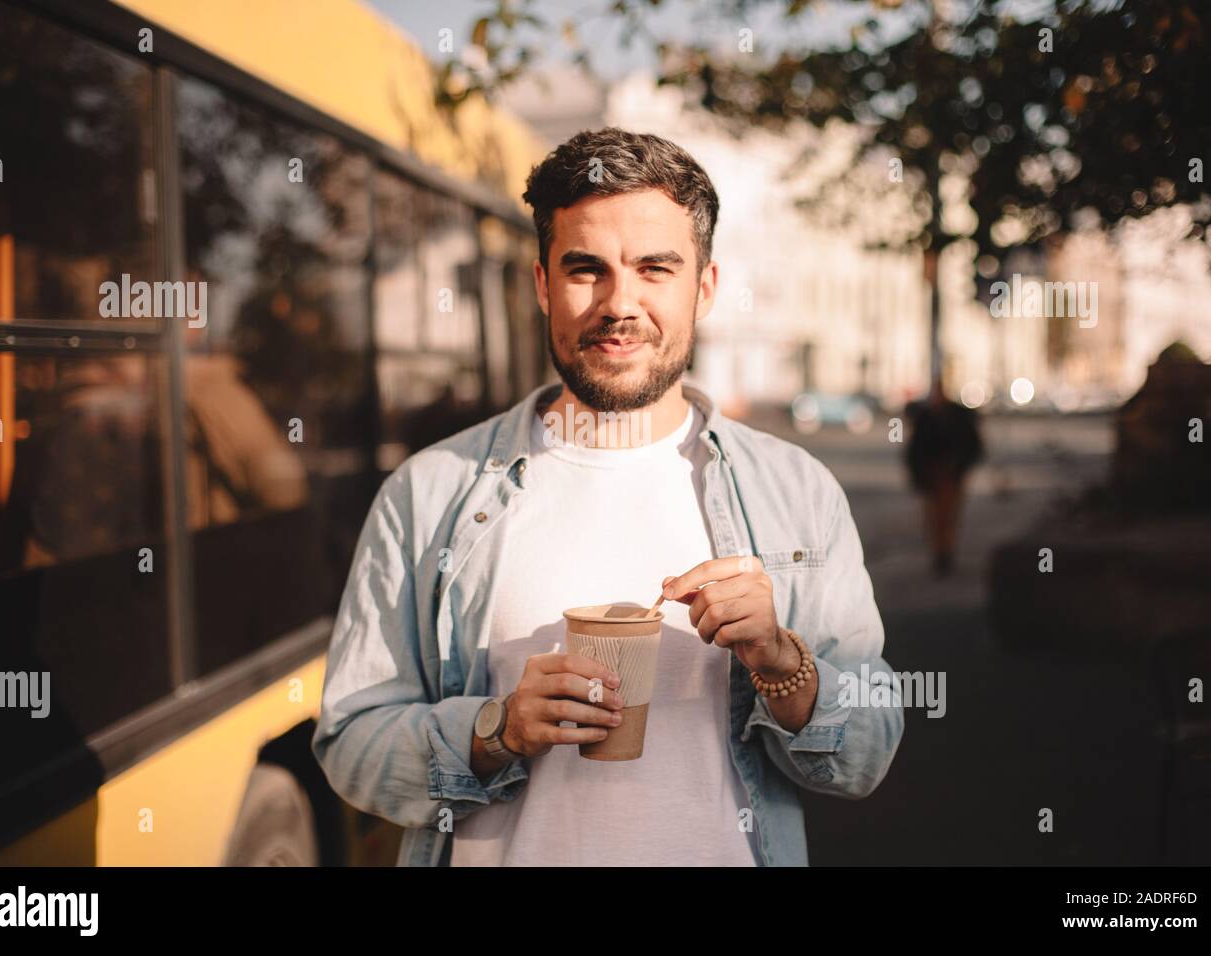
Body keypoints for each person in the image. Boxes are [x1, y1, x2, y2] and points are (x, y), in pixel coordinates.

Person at [313, 128, 903, 866]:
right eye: (586, 268)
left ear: (706, 288)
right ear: (541, 285)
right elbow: (349, 744)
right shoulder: (429, 493)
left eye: (655, 268)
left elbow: (867, 754)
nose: (619, 303)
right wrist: (497, 731)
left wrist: (778, 658)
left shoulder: (796, 491)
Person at [903, 380, 984, 576]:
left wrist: (958, 467)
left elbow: (972, 445)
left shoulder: (955, 416)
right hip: (933, 478)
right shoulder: (927, 417)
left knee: (948, 517)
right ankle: (940, 554)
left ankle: (945, 553)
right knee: (935, 519)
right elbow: (915, 451)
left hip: (951, 477)